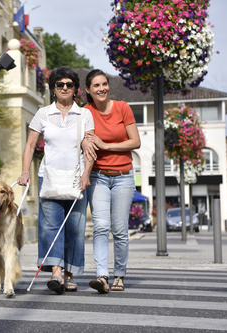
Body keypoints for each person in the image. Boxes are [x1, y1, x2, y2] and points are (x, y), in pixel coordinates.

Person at [17, 67, 94, 294]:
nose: (64, 88)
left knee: (75, 227)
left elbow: (90, 149)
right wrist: (24, 172)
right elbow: (30, 145)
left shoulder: (84, 115)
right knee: (50, 226)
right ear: (53, 88)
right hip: (48, 177)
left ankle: (70, 274)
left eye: (69, 85)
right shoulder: (43, 114)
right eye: (60, 84)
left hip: (76, 179)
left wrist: (87, 174)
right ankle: (56, 273)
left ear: (75, 89)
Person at [82, 69, 141, 293]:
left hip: (123, 177)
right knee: (100, 227)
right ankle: (102, 276)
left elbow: (135, 142)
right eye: (96, 85)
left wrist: (106, 146)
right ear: (88, 90)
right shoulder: (86, 112)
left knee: (119, 230)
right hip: (98, 176)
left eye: (104, 84)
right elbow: (83, 142)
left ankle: (119, 274)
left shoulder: (122, 108)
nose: (101, 88)